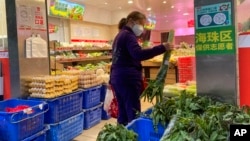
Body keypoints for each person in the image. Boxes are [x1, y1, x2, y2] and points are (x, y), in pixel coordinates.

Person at [110, 11, 173, 126]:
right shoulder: (128, 36)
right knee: (133, 112)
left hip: (117, 78)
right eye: (141, 24)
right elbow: (138, 54)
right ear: (131, 21)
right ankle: (134, 134)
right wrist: (162, 47)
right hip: (127, 79)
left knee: (123, 112)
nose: (142, 28)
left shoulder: (119, 35)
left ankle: (122, 134)